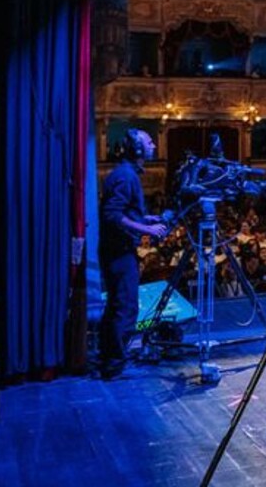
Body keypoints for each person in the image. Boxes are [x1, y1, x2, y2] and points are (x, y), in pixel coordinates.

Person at [97, 129, 169, 380]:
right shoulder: (126, 177)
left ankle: (109, 359)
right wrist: (147, 229)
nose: (153, 145)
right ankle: (115, 364)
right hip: (119, 252)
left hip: (117, 250)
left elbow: (125, 213)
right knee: (125, 307)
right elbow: (112, 215)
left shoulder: (125, 174)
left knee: (117, 305)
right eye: (149, 142)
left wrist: (146, 219)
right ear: (137, 149)